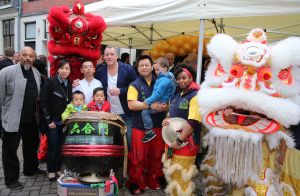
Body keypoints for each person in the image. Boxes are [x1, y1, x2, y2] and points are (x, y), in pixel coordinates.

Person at [0, 46, 43, 190]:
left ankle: (30, 169)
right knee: (10, 149)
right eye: (25, 55)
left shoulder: (36, 72)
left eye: (31, 56)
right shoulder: (6, 72)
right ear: (19, 56)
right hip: (13, 118)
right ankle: (11, 179)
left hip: (31, 119)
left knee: (31, 146)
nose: (28, 58)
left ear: (34, 58)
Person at [126, 55, 168, 194]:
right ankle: (136, 182)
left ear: (152, 67)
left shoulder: (161, 82)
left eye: (146, 65)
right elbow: (131, 104)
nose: (144, 67)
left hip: (158, 126)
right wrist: (151, 106)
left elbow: (167, 100)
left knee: (156, 155)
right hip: (140, 128)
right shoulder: (134, 85)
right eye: (141, 65)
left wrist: (164, 106)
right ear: (137, 68)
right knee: (139, 156)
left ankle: (153, 180)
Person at [161, 64, 201, 196]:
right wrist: (166, 120)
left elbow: (193, 121)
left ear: (191, 78)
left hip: (186, 143)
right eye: (178, 79)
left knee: (182, 177)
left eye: (184, 78)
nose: (181, 81)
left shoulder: (195, 96)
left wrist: (179, 140)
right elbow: (171, 114)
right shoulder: (177, 94)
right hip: (172, 141)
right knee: (173, 175)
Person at [95, 46, 137, 150]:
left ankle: (129, 165)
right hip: (108, 113)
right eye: (107, 54)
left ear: (117, 56)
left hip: (126, 112)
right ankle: (115, 165)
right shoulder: (100, 71)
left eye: (112, 54)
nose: (109, 57)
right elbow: (92, 81)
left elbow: (137, 86)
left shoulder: (128, 69)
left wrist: (121, 91)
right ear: (103, 56)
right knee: (111, 142)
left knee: (129, 140)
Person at [40, 60, 72, 181]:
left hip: (63, 121)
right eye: (62, 68)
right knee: (52, 146)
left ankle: (58, 168)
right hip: (52, 121)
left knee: (60, 146)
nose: (64, 71)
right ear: (58, 69)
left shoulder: (69, 83)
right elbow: (42, 102)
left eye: (67, 68)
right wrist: (48, 120)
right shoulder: (50, 82)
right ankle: (51, 169)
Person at [141, 57, 176, 142]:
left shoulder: (164, 80)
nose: (156, 72)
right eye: (155, 69)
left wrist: (147, 101)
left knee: (144, 112)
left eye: (158, 69)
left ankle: (149, 132)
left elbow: (158, 94)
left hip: (161, 102)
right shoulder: (164, 78)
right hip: (162, 102)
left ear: (165, 69)